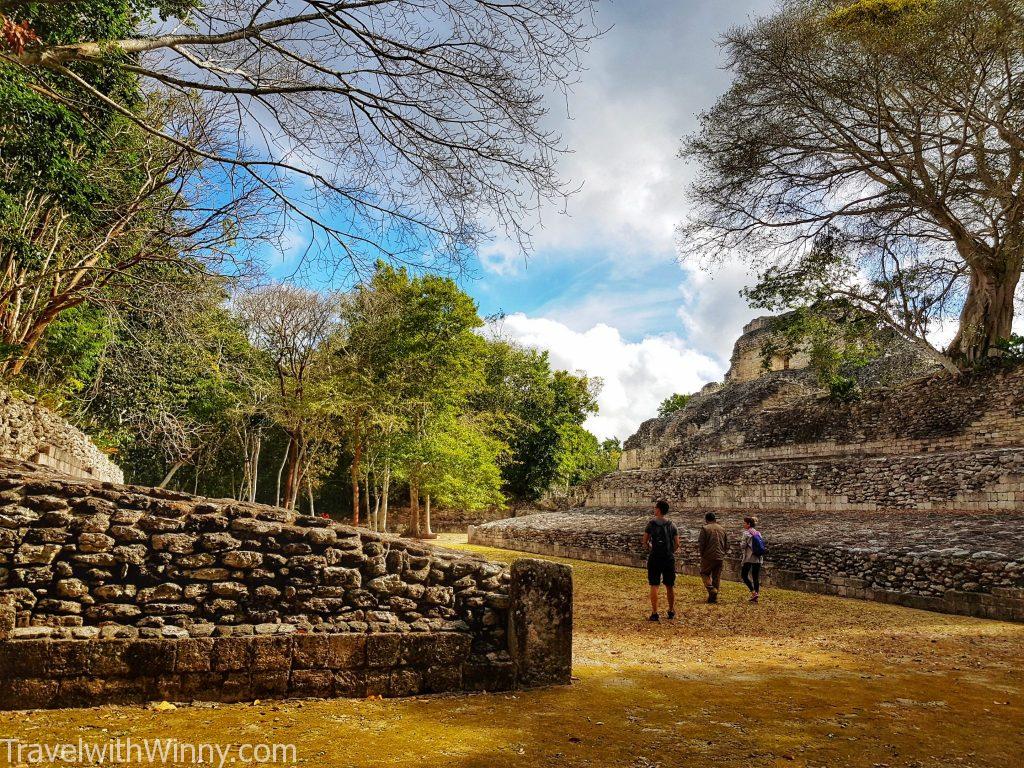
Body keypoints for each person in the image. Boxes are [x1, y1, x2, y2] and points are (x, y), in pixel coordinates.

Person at [642, 500, 680, 621]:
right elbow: (677, 543)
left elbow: (645, 541)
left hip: (655, 557)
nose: (654, 509)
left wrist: (650, 549)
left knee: (654, 584)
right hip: (668, 558)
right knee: (670, 585)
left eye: (655, 508)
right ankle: (671, 610)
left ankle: (654, 612)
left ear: (658, 509)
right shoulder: (672, 525)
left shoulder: (651, 524)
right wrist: (670, 551)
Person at [697, 511, 728, 603]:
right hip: (720, 555)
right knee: (716, 576)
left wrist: (702, 554)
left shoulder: (705, 528)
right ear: (715, 519)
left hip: (708, 555)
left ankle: (711, 589)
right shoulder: (722, 529)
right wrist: (723, 553)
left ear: (706, 520)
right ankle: (713, 598)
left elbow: (701, 544)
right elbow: (726, 543)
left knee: (704, 573)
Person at [740, 515, 764, 603]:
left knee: (744, 575)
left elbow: (743, 546)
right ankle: (756, 596)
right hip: (758, 558)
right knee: (755, 577)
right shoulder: (758, 533)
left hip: (749, 558)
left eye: (744, 523)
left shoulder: (746, 533)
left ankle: (753, 592)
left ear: (749, 524)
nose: (743, 525)